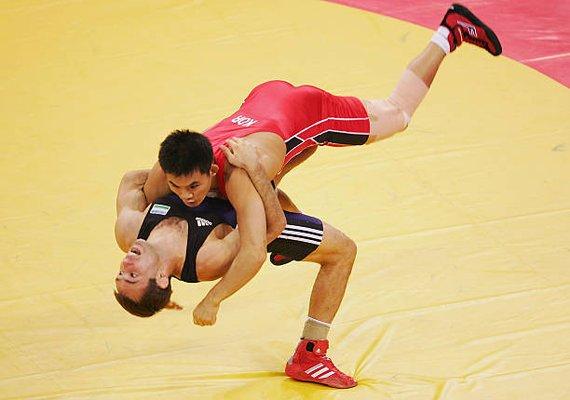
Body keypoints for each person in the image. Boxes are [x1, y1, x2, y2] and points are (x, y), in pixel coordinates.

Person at [115, 139, 359, 388]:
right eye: (132, 275)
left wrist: (188, 179)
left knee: (304, 147)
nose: (126, 263)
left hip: (224, 187)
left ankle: (248, 189)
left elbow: (131, 180)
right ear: (162, 277)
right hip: (251, 218)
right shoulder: (205, 259)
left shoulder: (128, 230)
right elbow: (267, 225)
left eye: (121, 273)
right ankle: (309, 354)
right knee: (342, 251)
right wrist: (213, 300)